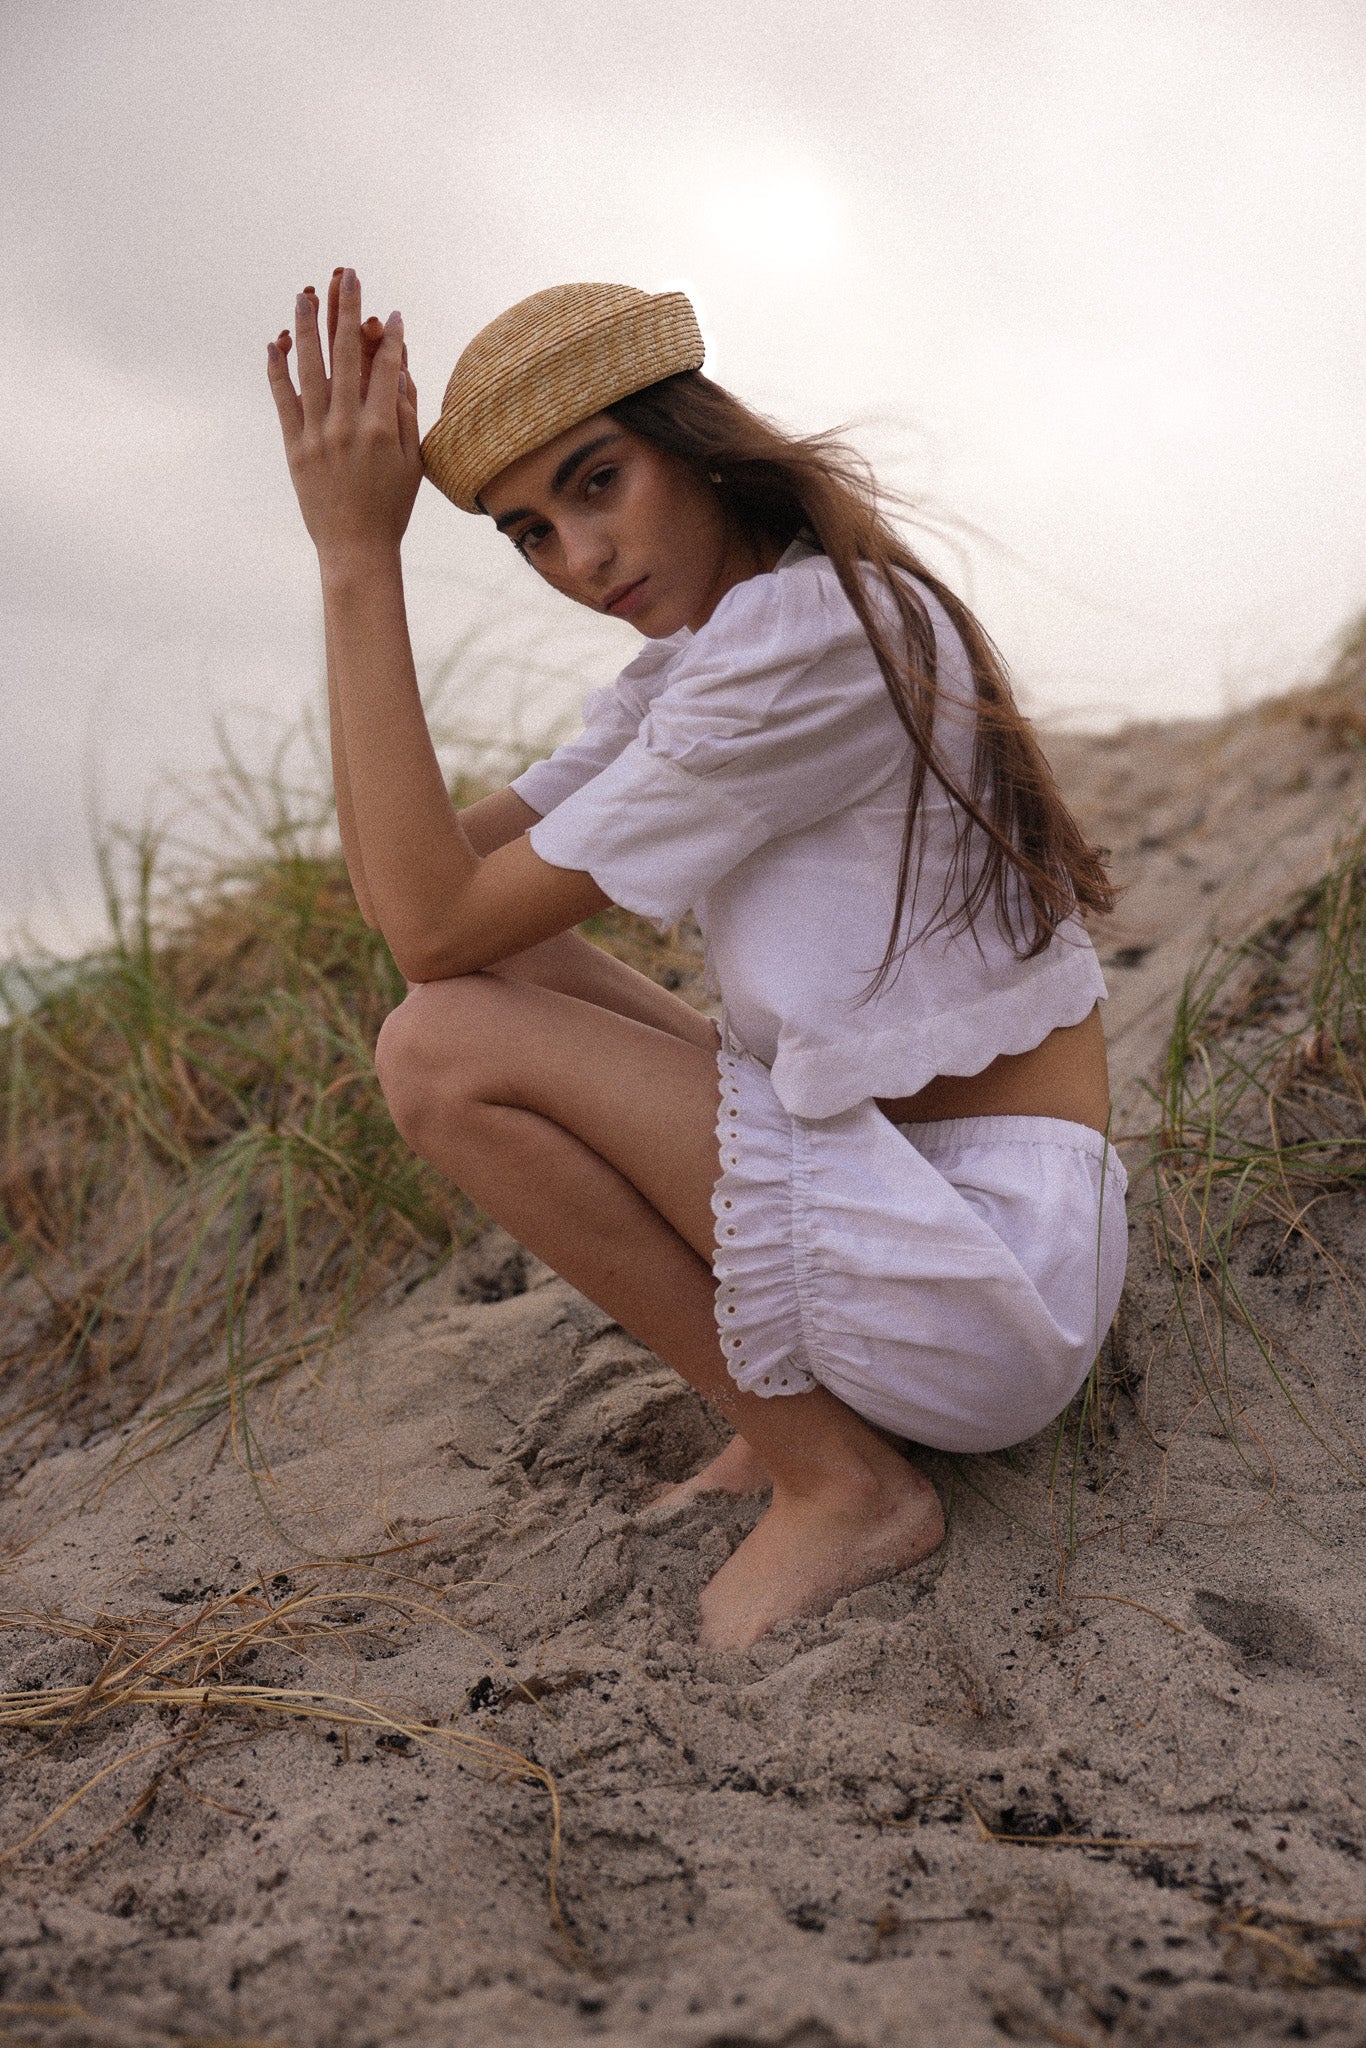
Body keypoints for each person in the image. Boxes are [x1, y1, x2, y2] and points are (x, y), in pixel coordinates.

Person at [267, 269, 1127, 1652]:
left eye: (599, 482)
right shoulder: (704, 661)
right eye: (531, 533)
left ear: (696, 440)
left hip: (982, 1283)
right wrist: (343, 559)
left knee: (435, 1047)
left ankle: (837, 1477)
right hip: (906, 1206)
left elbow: (425, 924)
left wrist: (357, 560)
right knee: (497, 976)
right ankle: (802, 1416)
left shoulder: (811, 641)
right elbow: (412, 891)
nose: (581, 560)